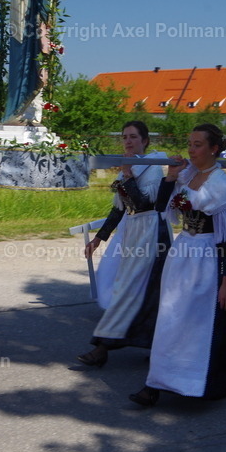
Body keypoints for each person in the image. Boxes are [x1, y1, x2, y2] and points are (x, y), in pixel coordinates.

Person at [129, 124, 226, 407]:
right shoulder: (188, 175)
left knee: (198, 322)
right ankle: (157, 382)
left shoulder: (221, 185)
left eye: (197, 145)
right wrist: (171, 176)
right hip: (182, 252)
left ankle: (197, 380)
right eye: (190, 144)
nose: (191, 150)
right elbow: (160, 206)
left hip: (206, 257)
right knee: (171, 317)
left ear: (214, 148)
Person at [78, 121, 171, 367]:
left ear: (145, 140)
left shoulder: (152, 168)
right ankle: (156, 346)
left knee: (137, 290)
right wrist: (99, 237)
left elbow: (143, 204)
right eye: (125, 137)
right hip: (133, 233)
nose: (128, 141)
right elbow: (120, 208)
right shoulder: (126, 169)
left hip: (152, 233)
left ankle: (102, 347)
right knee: (144, 292)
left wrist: (129, 173)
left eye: (133, 137)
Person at [2, 0, 50, 125]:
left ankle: (17, 111)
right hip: (30, 37)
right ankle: (23, 111)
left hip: (17, 35)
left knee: (17, 72)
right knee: (32, 73)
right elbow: (45, 9)